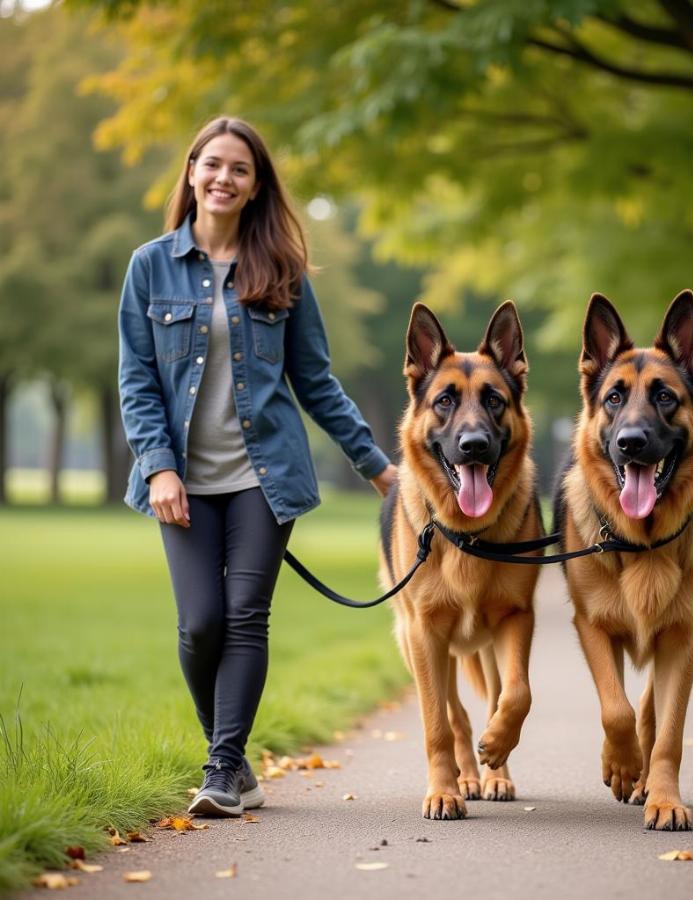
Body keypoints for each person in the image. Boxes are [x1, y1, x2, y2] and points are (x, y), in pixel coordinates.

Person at [118, 116, 396, 817]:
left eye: (240, 169)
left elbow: (316, 380)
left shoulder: (283, 272)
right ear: (190, 172)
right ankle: (234, 759)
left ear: (255, 186)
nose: (223, 177)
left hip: (262, 478)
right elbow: (136, 378)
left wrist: (377, 466)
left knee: (245, 616)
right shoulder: (149, 265)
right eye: (212, 164)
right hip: (181, 479)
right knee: (200, 624)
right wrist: (158, 468)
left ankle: (218, 771)